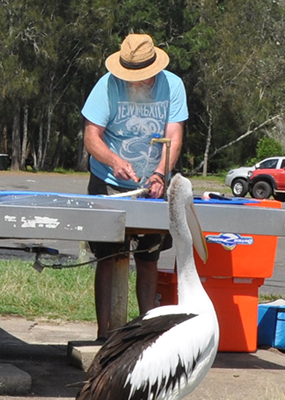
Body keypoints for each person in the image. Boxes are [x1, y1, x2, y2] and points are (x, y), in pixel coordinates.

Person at [81, 33, 188, 341]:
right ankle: (106, 335)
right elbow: (91, 138)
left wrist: (159, 173)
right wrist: (114, 161)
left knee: (149, 256)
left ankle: (145, 333)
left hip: (153, 184)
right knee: (110, 257)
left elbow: (175, 137)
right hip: (110, 183)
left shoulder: (173, 86)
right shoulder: (106, 86)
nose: (137, 81)